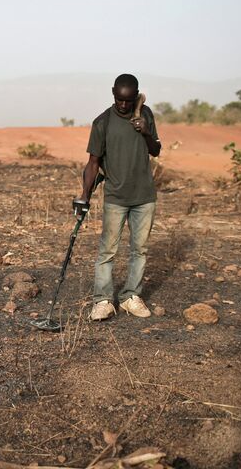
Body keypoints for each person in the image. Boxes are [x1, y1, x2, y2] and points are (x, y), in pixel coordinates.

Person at [77, 73, 162, 321]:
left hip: (144, 196)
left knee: (140, 249)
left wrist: (146, 132)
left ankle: (130, 297)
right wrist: (84, 195)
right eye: (119, 99)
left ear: (135, 96)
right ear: (113, 92)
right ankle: (103, 301)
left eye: (128, 100)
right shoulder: (102, 122)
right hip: (115, 197)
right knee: (107, 251)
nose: (123, 105)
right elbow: (93, 162)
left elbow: (155, 150)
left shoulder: (145, 114)